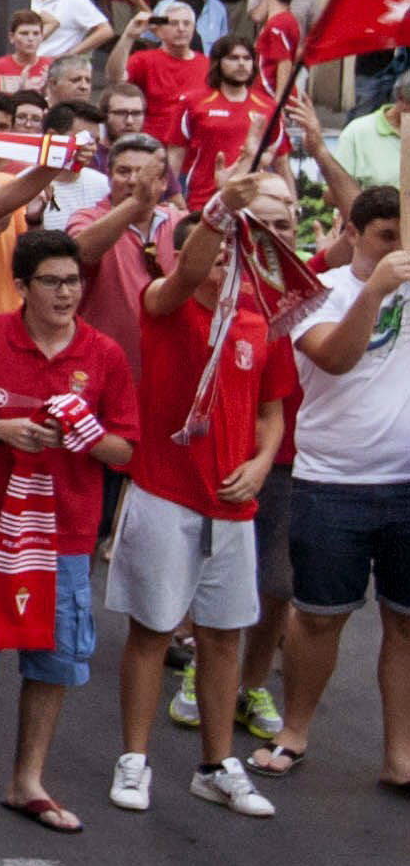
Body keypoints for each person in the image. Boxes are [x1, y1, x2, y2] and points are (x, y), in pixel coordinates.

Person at [0, 230, 140, 834]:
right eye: (52, 281)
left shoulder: (104, 356)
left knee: (54, 655)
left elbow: (125, 449)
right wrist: (0, 429)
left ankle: (28, 780)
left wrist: (87, 434)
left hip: (65, 532)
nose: (66, 292)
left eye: (74, 281)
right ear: (21, 286)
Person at [108, 174, 300, 818]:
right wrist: (219, 211)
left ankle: (217, 766)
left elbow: (272, 413)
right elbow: (190, 272)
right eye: (212, 250)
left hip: (233, 503)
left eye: (229, 251)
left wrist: (261, 462)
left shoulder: (260, 321)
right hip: (166, 492)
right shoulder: (167, 305)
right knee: (153, 630)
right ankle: (134, 760)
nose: (222, 258)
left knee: (223, 637)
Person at [275, 183, 410, 787]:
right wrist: (378, 290)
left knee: (404, 623)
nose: (399, 248)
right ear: (353, 232)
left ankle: (400, 753)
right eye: (387, 236)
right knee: (320, 617)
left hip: (405, 482)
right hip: (333, 482)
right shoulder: (317, 295)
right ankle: (295, 729)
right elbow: (333, 358)